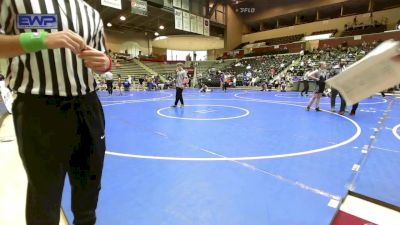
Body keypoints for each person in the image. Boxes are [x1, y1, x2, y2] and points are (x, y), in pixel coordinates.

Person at [0, 1, 111, 225]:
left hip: (87, 105)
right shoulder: (15, 3)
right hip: (39, 107)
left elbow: (104, 57)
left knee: (88, 190)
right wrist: (41, 39)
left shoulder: (92, 13)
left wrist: (106, 63)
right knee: (45, 194)